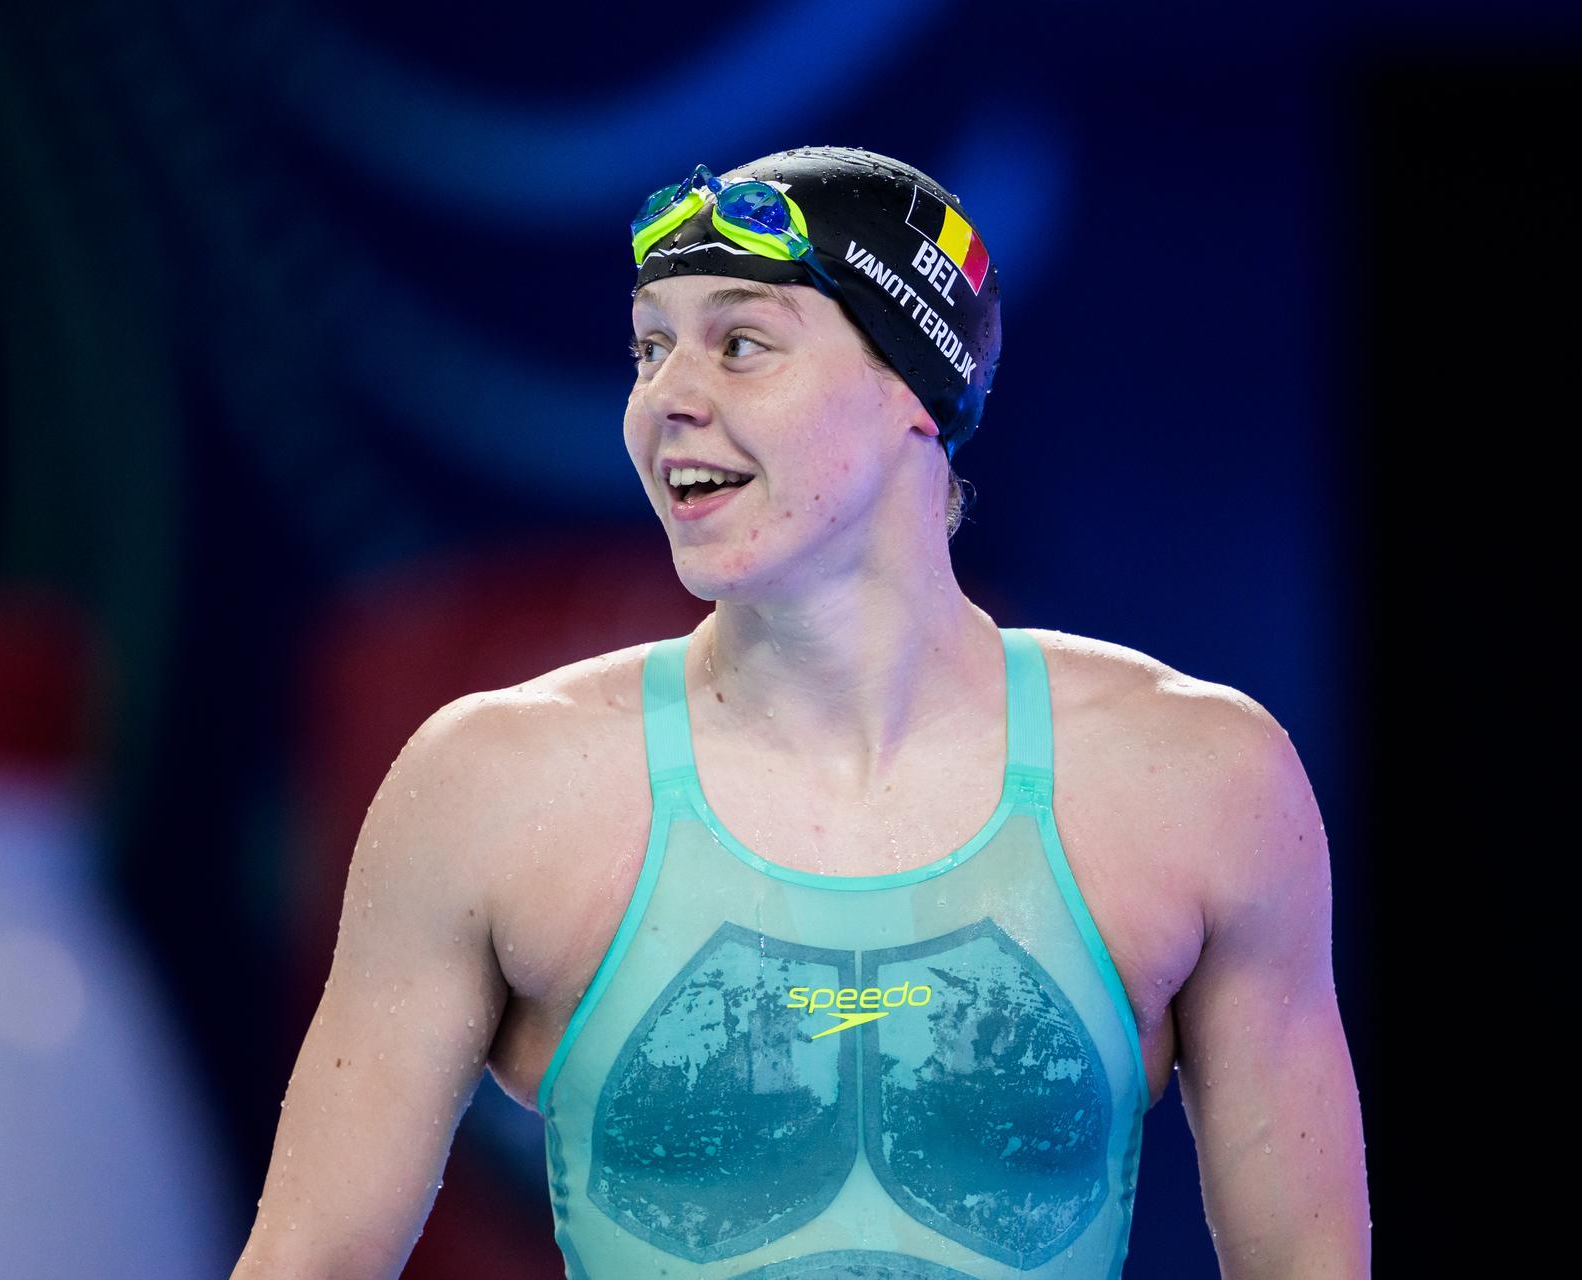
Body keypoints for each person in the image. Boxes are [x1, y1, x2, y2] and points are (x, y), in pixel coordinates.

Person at [230, 146, 1370, 1279]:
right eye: (650, 347)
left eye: (740, 344)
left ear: (912, 397)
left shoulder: (1198, 782)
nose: (667, 398)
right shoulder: (496, 787)